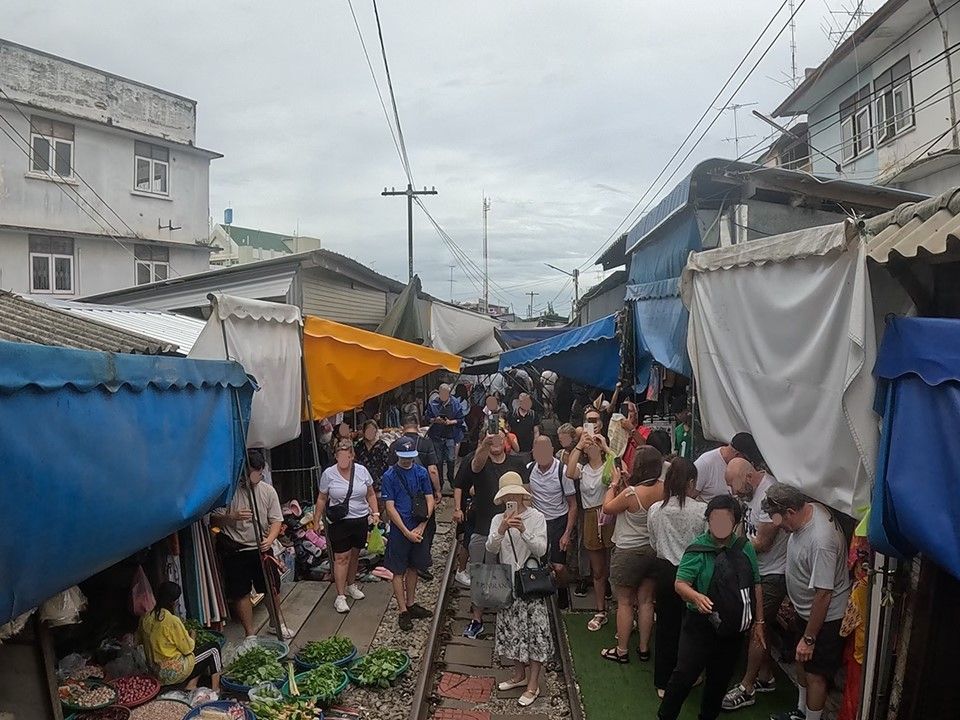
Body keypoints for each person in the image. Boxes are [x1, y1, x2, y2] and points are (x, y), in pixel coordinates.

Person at [658, 495, 765, 720]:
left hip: (732, 626)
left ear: (735, 523)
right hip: (700, 624)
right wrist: (696, 597)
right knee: (684, 674)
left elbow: (756, 583)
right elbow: (680, 583)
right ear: (708, 520)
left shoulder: (745, 547)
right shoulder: (697, 549)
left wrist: (759, 622)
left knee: (719, 679)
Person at [762, 483, 851, 720]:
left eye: (778, 519)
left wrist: (810, 639)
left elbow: (824, 594)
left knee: (815, 675)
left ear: (791, 511)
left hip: (825, 619)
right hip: (805, 611)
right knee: (800, 662)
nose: (777, 525)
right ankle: (801, 712)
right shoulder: (808, 511)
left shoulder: (821, 541)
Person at [722, 458, 790, 711]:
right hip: (756, 569)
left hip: (772, 573)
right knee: (761, 624)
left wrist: (729, 545)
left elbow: (762, 543)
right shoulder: (750, 492)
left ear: (748, 476)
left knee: (757, 626)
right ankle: (765, 676)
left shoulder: (769, 495)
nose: (733, 492)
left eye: (734, 485)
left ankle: (747, 687)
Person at [485, 473, 553, 707]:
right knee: (512, 631)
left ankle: (533, 683)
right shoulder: (498, 519)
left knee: (535, 634)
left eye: (513, 494)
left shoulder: (537, 517)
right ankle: (518, 674)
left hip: (530, 583)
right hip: (508, 583)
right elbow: (491, 548)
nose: (510, 499)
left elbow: (541, 550)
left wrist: (524, 530)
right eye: (506, 496)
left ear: (521, 495)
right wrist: (501, 529)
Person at [454, 429, 528, 639]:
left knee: (509, 571)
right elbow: (475, 466)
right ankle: (477, 619)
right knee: (480, 573)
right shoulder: (480, 461)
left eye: (498, 438)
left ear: (506, 441)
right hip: (484, 526)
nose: (495, 441)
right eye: (491, 438)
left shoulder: (517, 463)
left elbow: (527, 492)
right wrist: (485, 444)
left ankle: (507, 616)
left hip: (512, 528)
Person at [210, 450, 290, 640]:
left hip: (261, 546)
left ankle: (276, 623)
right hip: (236, 548)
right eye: (253, 472)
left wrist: (270, 539)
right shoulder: (229, 492)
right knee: (241, 592)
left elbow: (276, 520)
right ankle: (250, 634)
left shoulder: (267, 490)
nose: (257, 476)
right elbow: (213, 520)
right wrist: (232, 517)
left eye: (260, 473)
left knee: (272, 588)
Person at [648, 458, 706, 698]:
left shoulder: (656, 509)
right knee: (693, 628)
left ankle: (663, 681)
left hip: (665, 571)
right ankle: (689, 675)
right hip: (693, 572)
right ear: (691, 482)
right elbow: (706, 542)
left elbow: (653, 542)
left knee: (665, 626)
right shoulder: (702, 511)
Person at [601, 445, 664, 663]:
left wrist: (614, 484)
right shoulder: (664, 489)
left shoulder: (631, 494)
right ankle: (644, 649)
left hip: (628, 551)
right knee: (646, 601)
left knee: (625, 602)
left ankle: (622, 650)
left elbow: (608, 507)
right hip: (652, 550)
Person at [316, 440, 379, 614]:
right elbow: (322, 497)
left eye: (347, 455)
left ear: (352, 456)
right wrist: (316, 519)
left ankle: (351, 584)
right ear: (336, 456)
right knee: (341, 557)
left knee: (355, 554)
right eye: (340, 455)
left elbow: (371, 493)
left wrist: (375, 512)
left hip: (360, 518)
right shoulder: (329, 474)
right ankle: (340, 595)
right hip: (339, 521)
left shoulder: (362, 471)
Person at [381, 436, 436, 631]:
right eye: (404, 457)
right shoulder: (389, 476)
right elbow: (390, 507)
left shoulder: (421, 472)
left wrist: (422, 525)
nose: (406, 460)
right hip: (400, 529)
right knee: (398, 570)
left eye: (409, 457)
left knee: (414, 567)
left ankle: (411, 603)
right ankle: (402, 609)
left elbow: (430, 499)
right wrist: (406, 531)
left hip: (417, 525)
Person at [566, 429, 618, 632]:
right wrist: (580, 445)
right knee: (598, 570)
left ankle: (622, 608)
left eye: (595, 443)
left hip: (609, 515)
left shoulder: (609, 464)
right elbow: (569, 472)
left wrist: (606, 446)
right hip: (589, 516)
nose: (592, 445)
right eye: (590, 443)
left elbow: (620, 470)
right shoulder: (583, 469)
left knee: (615, 566)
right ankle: (600, 610)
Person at [140, 582, 222, 690]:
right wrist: (192, 635)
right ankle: (216, 690)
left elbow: (140, 640)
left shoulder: (145, 618)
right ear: (173, 602)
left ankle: (191, 684)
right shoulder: (172, 620)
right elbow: (188, 649)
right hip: (174, 672)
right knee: (213, 649)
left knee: (198, 653)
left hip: (156, 671)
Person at [527, 436, 577, 605]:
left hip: (558, 520)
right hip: (538, 522)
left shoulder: (562, 471)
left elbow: (573, 504)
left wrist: (567, 533)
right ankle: (540, 592)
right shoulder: (529, 469)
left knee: (559, 566)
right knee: (538, 561)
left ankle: (562, 590)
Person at [693, 432, 762, 501]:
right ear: (737, 455)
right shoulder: (704, 464)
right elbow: (691, 496)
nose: (748, 463)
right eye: (747, 460)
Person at [425, 383, 465, 492]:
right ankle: (440, 482)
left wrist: (451, 422)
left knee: (451, 459)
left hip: (450, 435)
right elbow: (427, 417)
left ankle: (451, 480)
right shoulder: (433, 403)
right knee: (438, 460)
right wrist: (435, 420)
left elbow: (461, 419)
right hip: (436, 435)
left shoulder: (455, 404)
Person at [354, 420, 391, 504]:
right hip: (362, 483)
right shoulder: (359, 445)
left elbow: (386, 464)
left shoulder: (382, 445)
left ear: (376, 431)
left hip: (379, 483)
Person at [511, 392, 540, 460]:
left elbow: (536, 432)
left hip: (529, 449)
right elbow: (508, 431)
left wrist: (535, 446)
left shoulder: (533, 415)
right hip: (515, 450)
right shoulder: (512, 415)